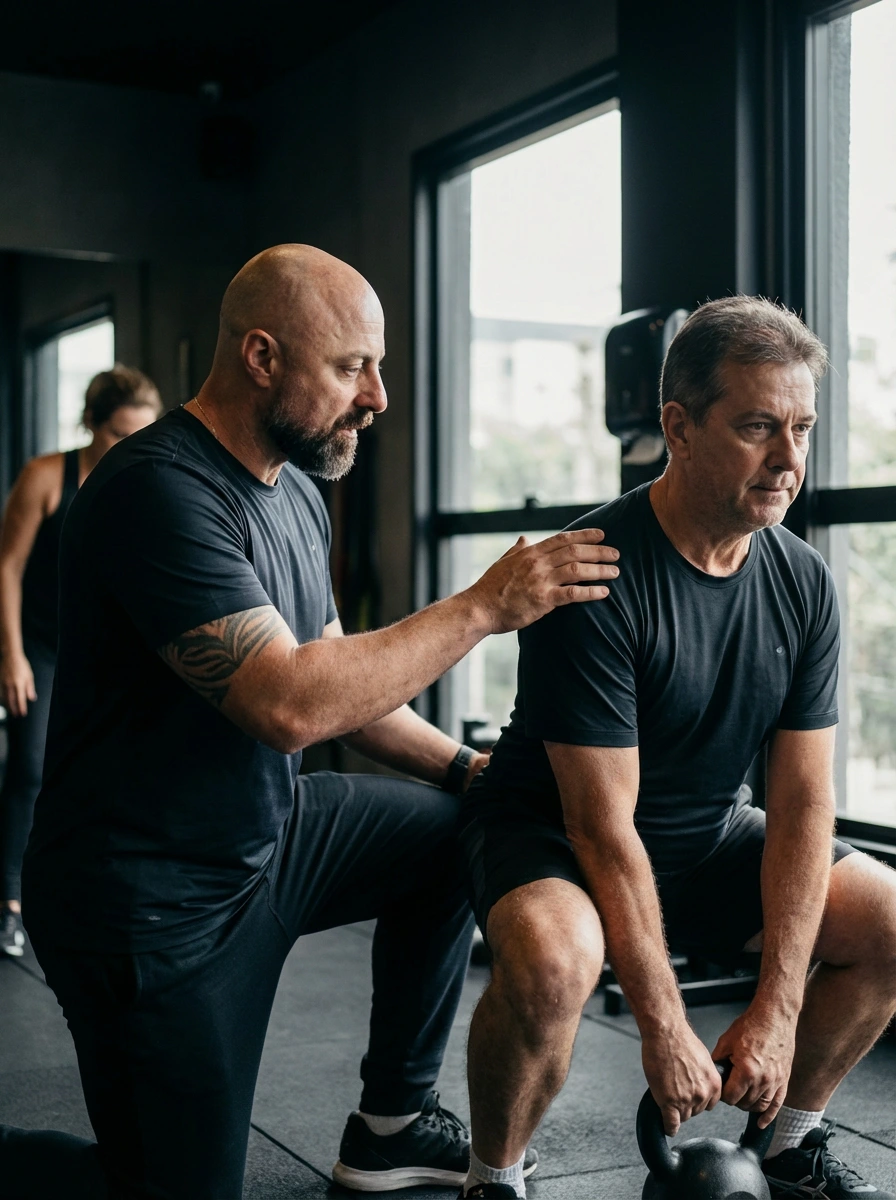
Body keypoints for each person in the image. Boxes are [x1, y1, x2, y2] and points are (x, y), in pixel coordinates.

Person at [0, 244, 620, 1200]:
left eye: (376, 367)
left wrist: (470, 772)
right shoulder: (153, 489)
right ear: (261, 358)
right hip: (149, 902)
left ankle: (392, 1122)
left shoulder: (294, 491)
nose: (375, 395)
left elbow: (346, 682)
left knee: (460, 833)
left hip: (270, 837)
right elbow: (288, 703)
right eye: (349, 367)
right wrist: (485, 605)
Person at [457, 297, 896, 1200]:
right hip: (556, 840)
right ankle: (492, 1176)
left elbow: (805, 805)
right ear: (678, 427)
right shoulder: (595, 572)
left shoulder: (802, 581)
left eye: (802, 428)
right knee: (551, 961)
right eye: (757, 428)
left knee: (893, 919)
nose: (789, 459)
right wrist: (662, 1024)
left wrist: (774, 1013)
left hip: (705, 835)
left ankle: (790, 1144)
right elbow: (601, 826)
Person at [0, 366, 161, 957]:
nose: (132, 446)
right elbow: (6, 567)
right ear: (92, 424)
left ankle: (92, 894)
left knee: (113, 772)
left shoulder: (147, 480)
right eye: (120, 434)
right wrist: (11, 655)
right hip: (41, 645)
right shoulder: (48, 476)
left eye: (143, 433)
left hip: (106, 650)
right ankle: (10, 904)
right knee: (30, 766)